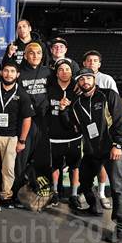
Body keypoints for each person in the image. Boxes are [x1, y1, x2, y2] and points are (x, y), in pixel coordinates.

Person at [62, 68, 122, 243]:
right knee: (83, 180)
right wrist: (63, 110)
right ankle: (95, 206)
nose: (85, 81)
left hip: (112, 149)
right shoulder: (77, 104)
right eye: (81, 79)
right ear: (78, 83)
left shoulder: (108, 95)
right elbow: (73, 126)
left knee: (117, 187)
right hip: (93, 151)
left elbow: (121, 120)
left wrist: (118, 144)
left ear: (94, 78)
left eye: (88, 78)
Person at [0, 61, 34, 214]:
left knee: (8, 170)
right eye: (6, 71)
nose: (8, 74)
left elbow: (27, 119)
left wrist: (22, 140)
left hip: (11, 138)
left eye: (12, 71)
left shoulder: (22, 94)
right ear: (1, 72)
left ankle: (6, 196)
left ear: (17, 75)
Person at [13, 42, 52, 205]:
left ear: (42, 56)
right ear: (26, 56)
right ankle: (17, 194)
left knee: (43, 159)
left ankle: (45, 193)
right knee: (21, 158)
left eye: (38, 53)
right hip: (26, 121)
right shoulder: (20, 74)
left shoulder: (49, 72)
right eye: (31, 53)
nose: (35, 55)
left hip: (44, 122)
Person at [83, 49, 118, 209]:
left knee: (104, 166)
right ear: (84, 63)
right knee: (88, 165)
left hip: (105, 133)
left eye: (95, 60)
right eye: (89, 60)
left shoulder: (107, 80)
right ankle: (86, 193)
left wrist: (117, 139)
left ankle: (103, 193)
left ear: (100, 63)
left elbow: (115, 107)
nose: (91, 63)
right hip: (88, 131)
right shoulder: (81, 79)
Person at [47, 59, 83, 209]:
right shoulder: (50, 89)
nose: (64, 72)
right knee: (55, 166)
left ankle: (73, 195)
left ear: (71, 72)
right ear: (56, 72)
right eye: (61, 69)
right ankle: (55, 192)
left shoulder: (77, 89)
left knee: (75, 167)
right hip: (55, 135)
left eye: (67, 69)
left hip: (73, 135)